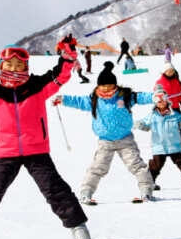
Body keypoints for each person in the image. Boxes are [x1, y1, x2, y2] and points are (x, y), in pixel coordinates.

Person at [0, 36, 93, 239]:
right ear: (1, 65)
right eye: (9, 64)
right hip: (6, 153)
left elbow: (61, 75)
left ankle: (81, 233)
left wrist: (67, 55)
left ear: (26, 66)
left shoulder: (37, 86)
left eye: (19, 65)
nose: (14, 68)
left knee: (56, 191)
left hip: (37, 151)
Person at [54, 61, 156, 203]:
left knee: (137, 165)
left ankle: (146, 191)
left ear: (115, 85)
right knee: (97, 167)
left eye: (109, 85)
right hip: (105, 141)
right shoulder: (94, 99)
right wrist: (63, 99)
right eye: (103, 86)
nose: (106, 88)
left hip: (125, 139)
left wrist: (154, 97)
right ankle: (86, 193)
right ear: (98, 86)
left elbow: (141, 97)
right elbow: (78, 101)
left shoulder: (124, 96)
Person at [135, 85, 181, 191]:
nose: (161, 103)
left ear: (167, 100)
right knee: (155, 165)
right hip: (159, 146)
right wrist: (140, 125)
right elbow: (146, 126)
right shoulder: (152, 116)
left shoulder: (174, 114)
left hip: (174, 145)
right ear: (155, 102)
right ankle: (150, 182)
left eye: (163, 100)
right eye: (158, 101)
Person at [155, 63, 181, 147]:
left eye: (172, 71)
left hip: (175, 106)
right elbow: (156, 95)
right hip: (165, 107)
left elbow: (178, 94)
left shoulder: (176, 81)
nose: (171, 73)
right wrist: (161, 97)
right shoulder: (159, 82)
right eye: (169, 71)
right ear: (164, 71)